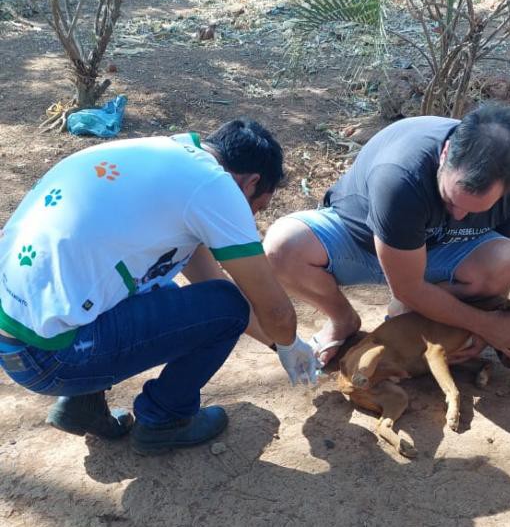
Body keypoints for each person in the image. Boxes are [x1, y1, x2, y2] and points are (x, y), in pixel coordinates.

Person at [0, 118, 317, 454]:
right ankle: (165, 419)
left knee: (162, 292)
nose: (251, 215)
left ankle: (81, 406)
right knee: (227, 305)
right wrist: (289, 340)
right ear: (251, 182)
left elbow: (207, 279)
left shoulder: (162, 158)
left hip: (16, 341)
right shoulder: (214, 185)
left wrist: (279, 345)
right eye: (257, 206)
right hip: (52, 358)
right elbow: (272, 310)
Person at [264, 105, 510, 367]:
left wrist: (483, 325)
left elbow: (501, 272)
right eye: (451, 201)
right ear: (445, 154)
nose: (459, 216)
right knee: (282, 248)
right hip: (360, 242)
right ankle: (342, 319)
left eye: (476, 210)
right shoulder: (400, 175)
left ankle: (410, 313)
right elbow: (407, 288)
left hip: (437, 253)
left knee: (504, 261)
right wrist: (484, 325)